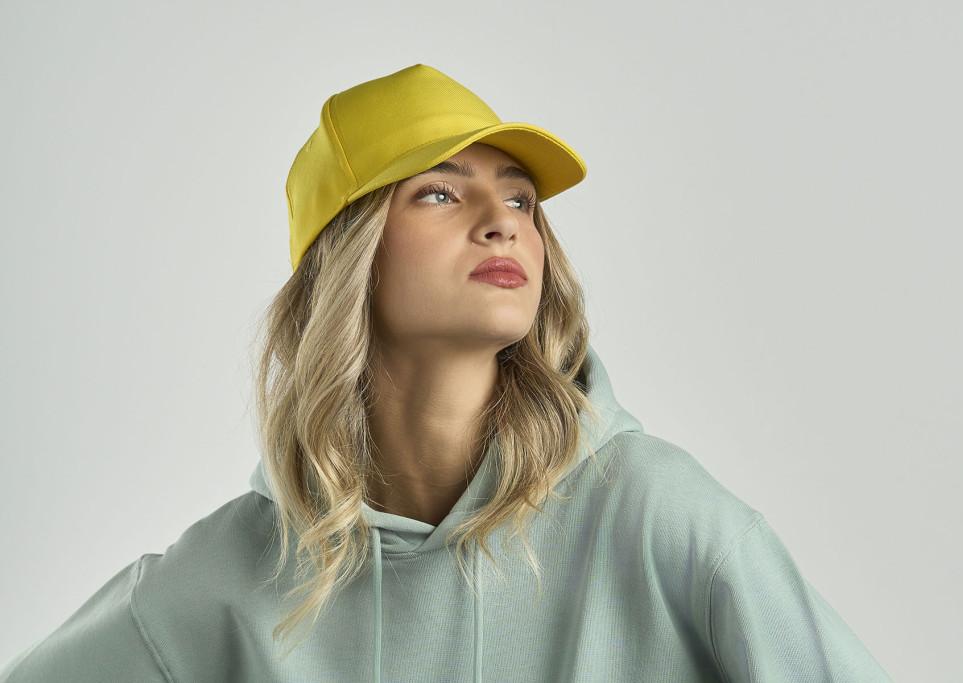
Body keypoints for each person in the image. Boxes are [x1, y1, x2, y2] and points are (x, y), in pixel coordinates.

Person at [0, 64, 893, 682]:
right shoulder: (226, 578)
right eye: (439, 190)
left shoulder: (655, 513)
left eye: (520, 197)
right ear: (349, 256)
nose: (503, 220)